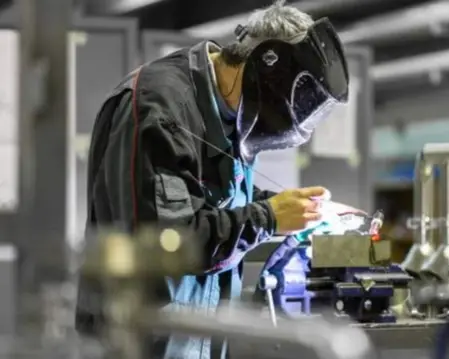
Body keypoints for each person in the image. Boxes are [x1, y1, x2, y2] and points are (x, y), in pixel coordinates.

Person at [75, 0, 350, 358]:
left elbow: (211, 200)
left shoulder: (228, 109)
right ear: (260, 67)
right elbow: (169, 242)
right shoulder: (160, 106)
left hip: (196, 339)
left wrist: (292, 208)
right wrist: (268, 217)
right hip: (140, 342)